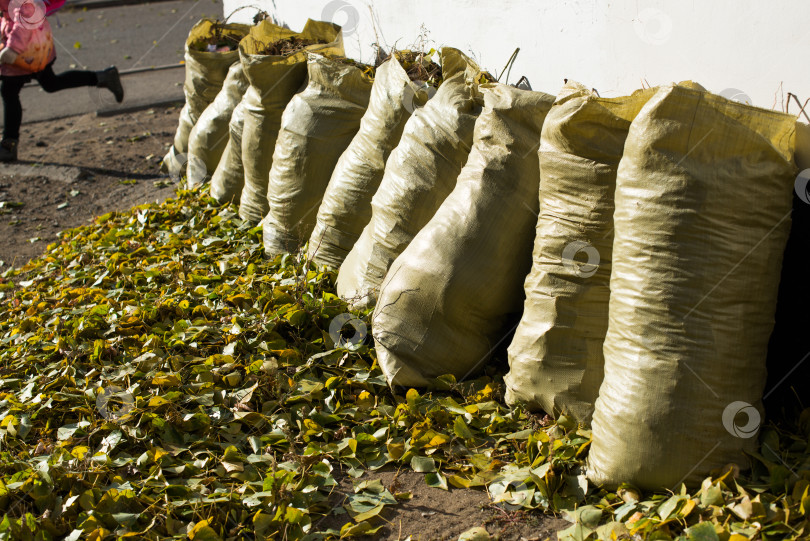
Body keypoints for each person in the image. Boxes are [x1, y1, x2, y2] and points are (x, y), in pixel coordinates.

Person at [0, 0, 123, 162]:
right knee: (51, 83)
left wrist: (13, 48)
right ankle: (103, 77)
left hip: (26, 51)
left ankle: (9, 145)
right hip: (34, 45)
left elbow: (26, 15)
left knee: (9, 92)